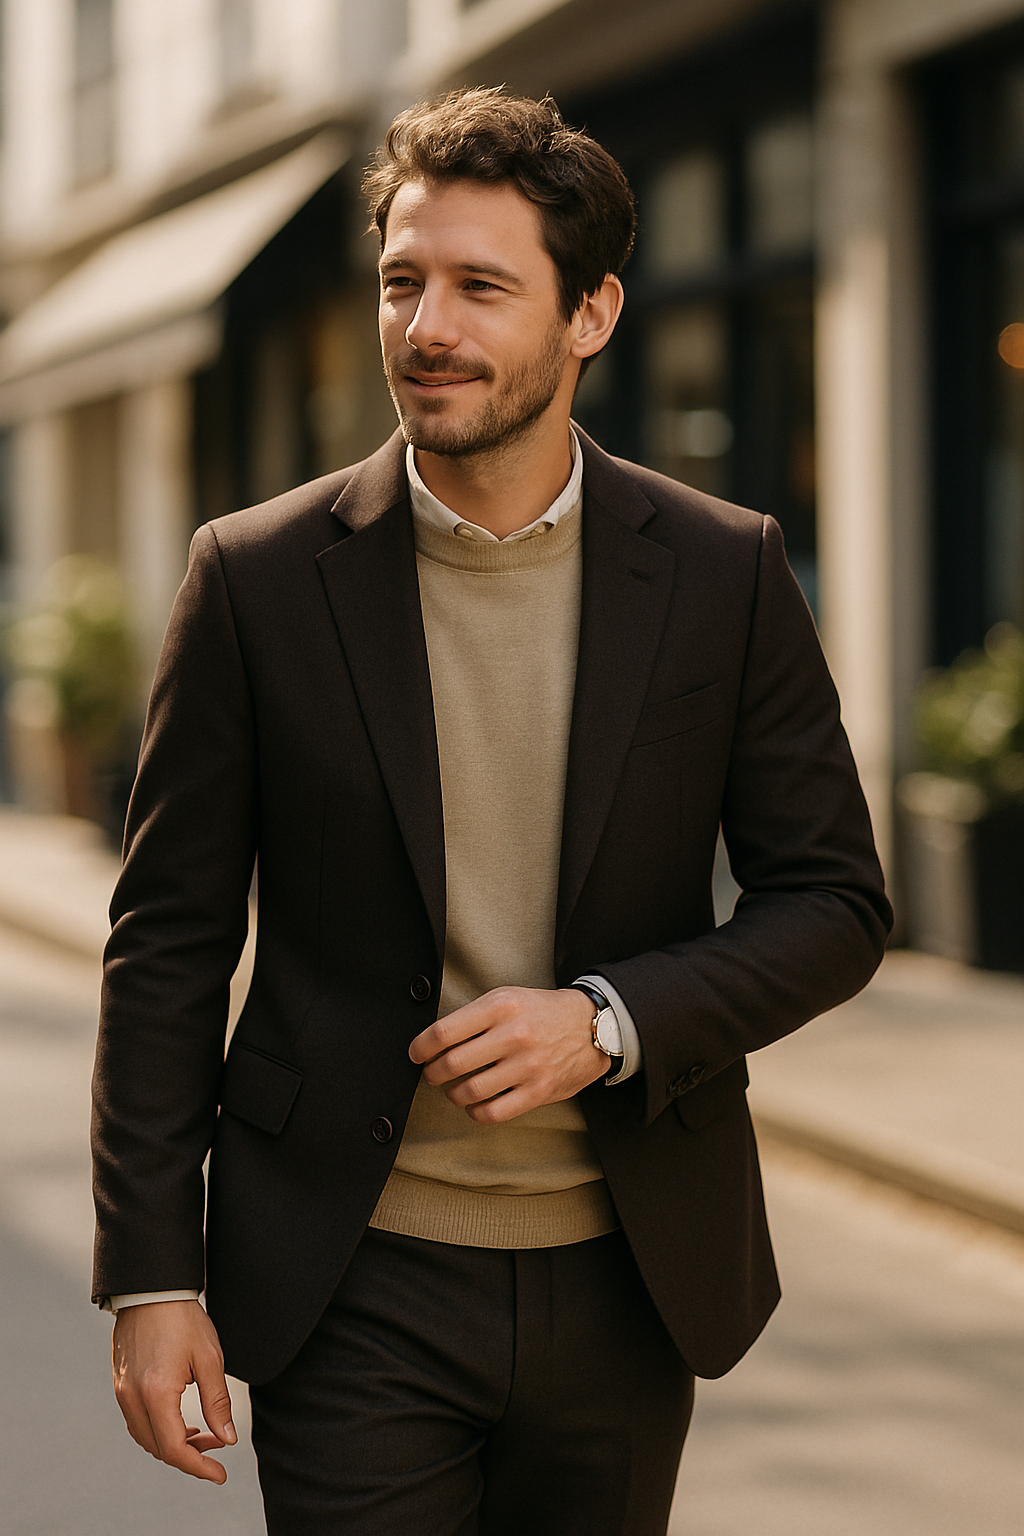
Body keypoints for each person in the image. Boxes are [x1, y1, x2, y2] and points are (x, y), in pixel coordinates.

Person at [91, 87, 892, 1536]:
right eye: (403, 281)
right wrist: (154, 1275)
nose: (425, 327)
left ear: (590, 316)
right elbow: (166, 944)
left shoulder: (723, 573)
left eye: (480, 286)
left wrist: (606, 1018)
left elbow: (834, 905)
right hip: (349, 1277)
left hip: (630, 1271)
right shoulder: (257, 580)